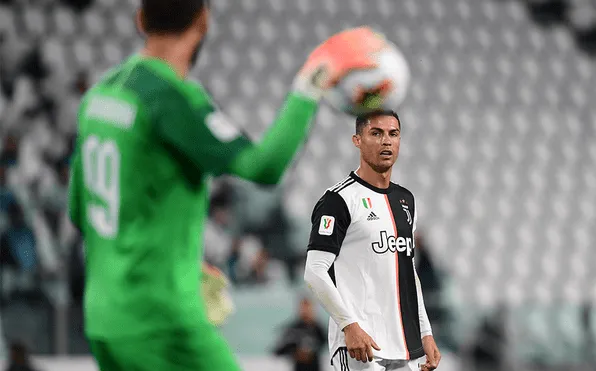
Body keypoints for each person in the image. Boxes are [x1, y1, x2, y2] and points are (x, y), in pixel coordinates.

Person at [66, 0, 387, 369]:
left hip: (104, 319)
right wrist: (311, 82)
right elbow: (264, 166)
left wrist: (180, 263)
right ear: (203, 20)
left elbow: (81, 211)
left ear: (140, 20)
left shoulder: (100, 95)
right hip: (160, 319)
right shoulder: (171, 98)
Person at [304, 111, 442, 371]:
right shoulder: (338, 200)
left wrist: (425, 332)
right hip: (359, 344)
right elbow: (314, 271)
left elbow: (408, 274)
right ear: (357, 140)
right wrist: (349, 325)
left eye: (393, 134)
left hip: (402, 344)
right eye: (376, 133)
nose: (386, 141)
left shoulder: (406, 200)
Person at [273, 298, 327, 371]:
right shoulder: (293, 328)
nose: (306, 311)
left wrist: (311, 352)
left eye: (308, 307)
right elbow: (278, 350)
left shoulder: (318, 328)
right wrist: (295, 352)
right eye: (304, 307)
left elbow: (326, 344)